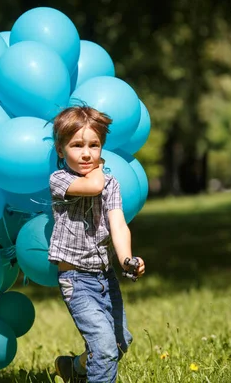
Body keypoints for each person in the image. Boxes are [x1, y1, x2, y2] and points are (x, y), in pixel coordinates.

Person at [48, 105, 146, 383]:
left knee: (119, 343)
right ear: (60, 150)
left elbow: (118, 224)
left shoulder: (111, 184)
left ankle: (73, 368)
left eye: (95, 145)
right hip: (75, 280)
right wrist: (100, 168)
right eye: (77, 145)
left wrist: (127, 259)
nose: (87, 153)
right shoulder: (59, 179)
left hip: (105, 277)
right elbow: (93, 186)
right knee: (103, 350)